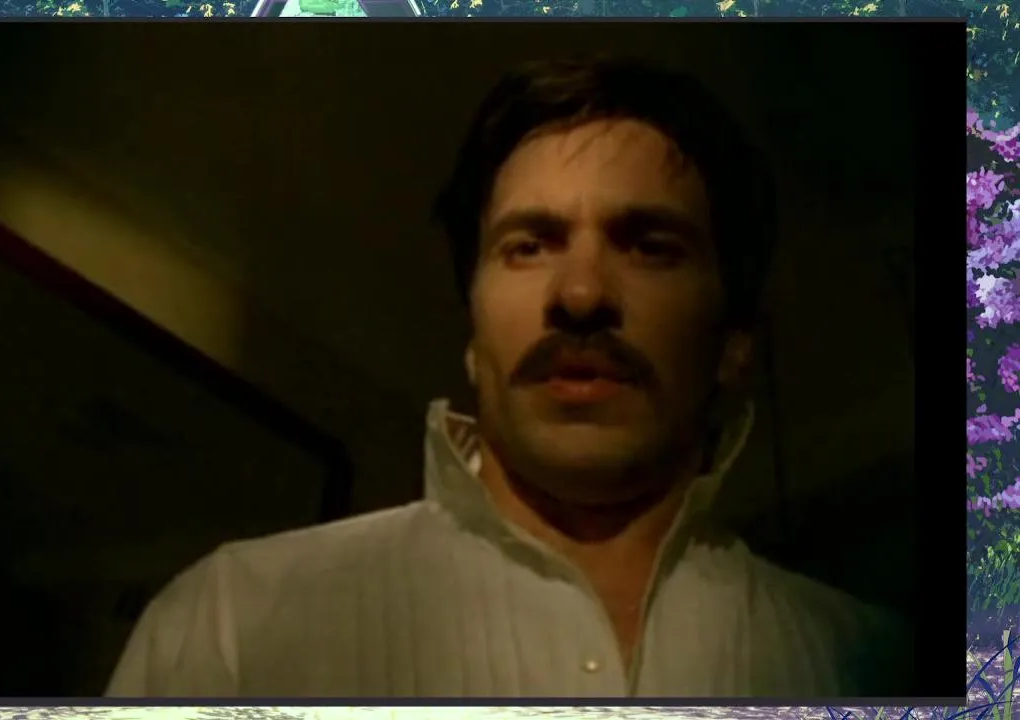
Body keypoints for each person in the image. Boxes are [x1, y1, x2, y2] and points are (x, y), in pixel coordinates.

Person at [105, 56, 910, 698]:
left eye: (650, 246)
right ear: (472, 332)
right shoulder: (232, 625)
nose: (581, 295)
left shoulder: (884, 666)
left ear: (733, 342)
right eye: (528, 246)